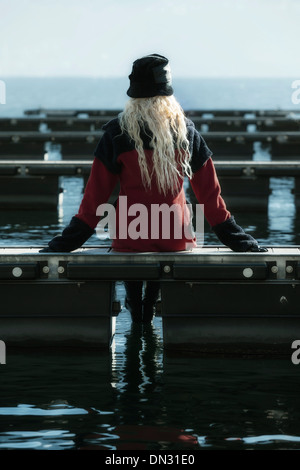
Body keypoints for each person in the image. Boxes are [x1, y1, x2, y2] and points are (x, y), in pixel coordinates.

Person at [41, 53, 267, 323]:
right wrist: (240, 241)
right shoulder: (187, 133)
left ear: (134, 95)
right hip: (175, 236)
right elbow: (211, 198)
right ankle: (154, 301)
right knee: (164, 265)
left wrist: (64, 244)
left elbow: (93, 202)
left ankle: (136, 306)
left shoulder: (117, 133)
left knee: (134, 285)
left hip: (131, 235)